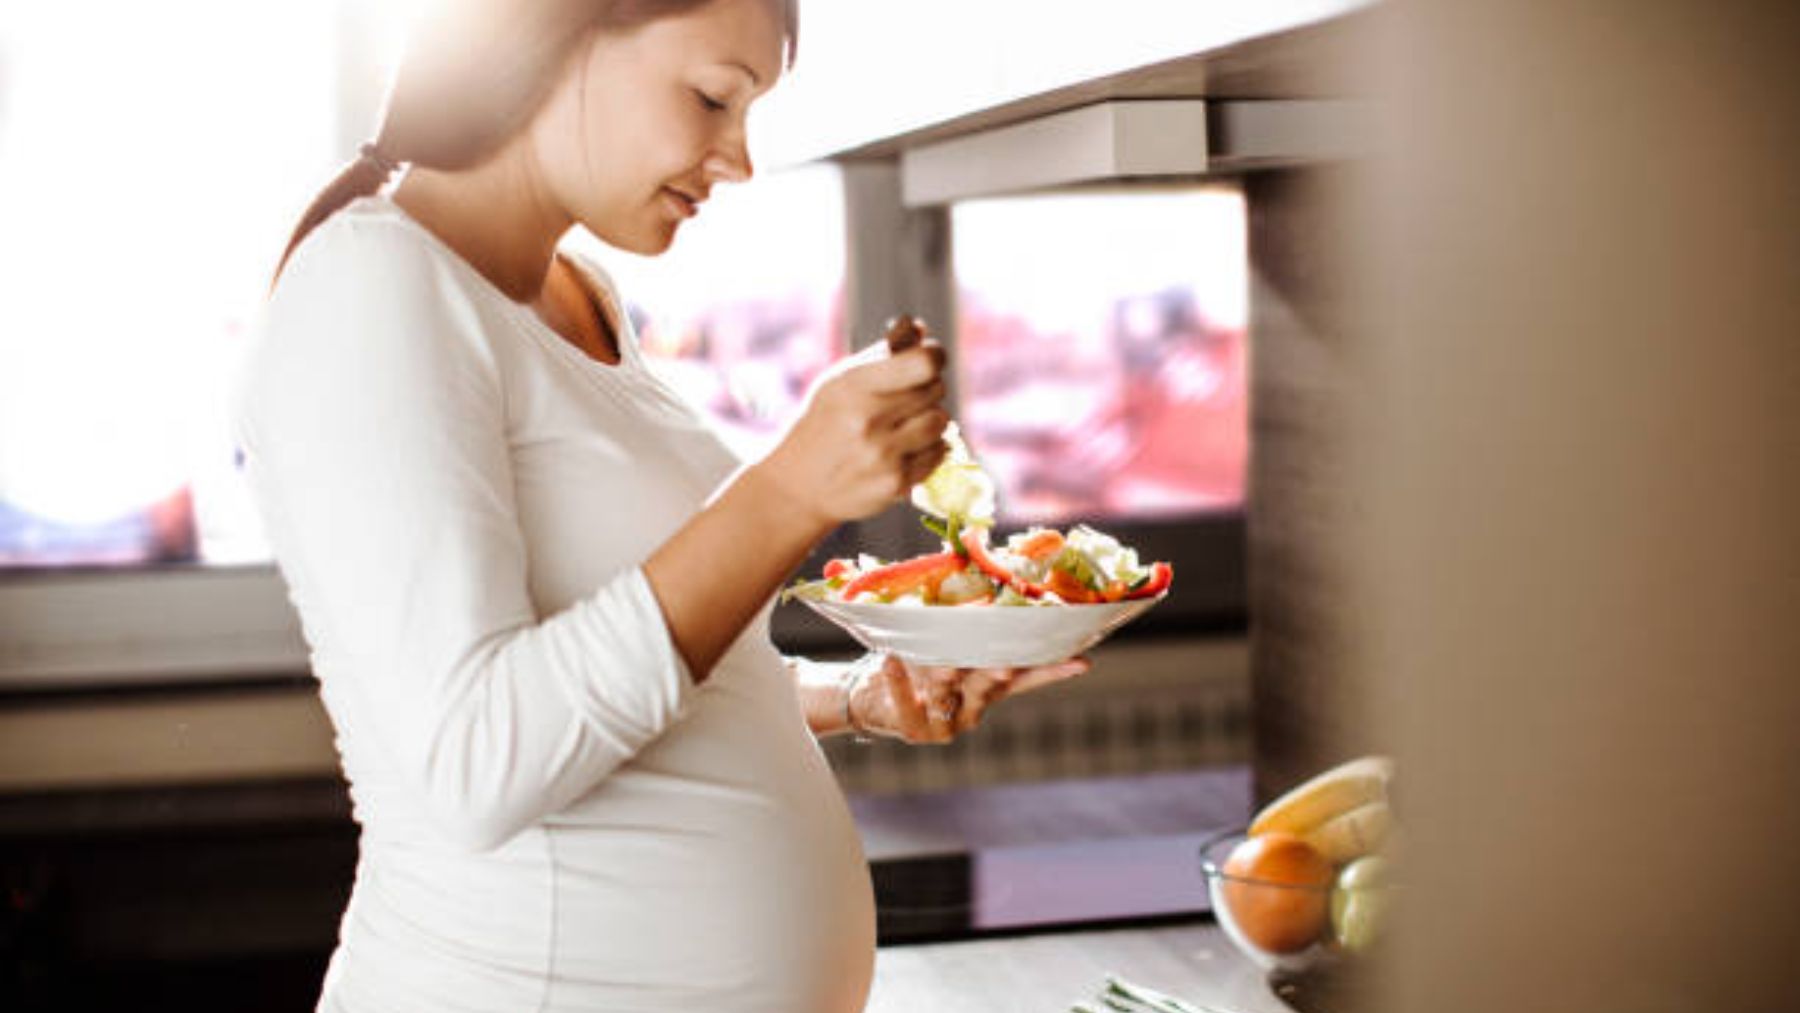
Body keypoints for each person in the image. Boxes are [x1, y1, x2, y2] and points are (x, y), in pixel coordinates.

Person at [231, 1, 1090, 1010]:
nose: (739, 157)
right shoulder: (372, 284)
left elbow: (630, 673)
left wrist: (852, 697)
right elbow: (476, 758)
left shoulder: (576, 292)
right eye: (715, 96)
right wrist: (787, 491)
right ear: (557, 32)